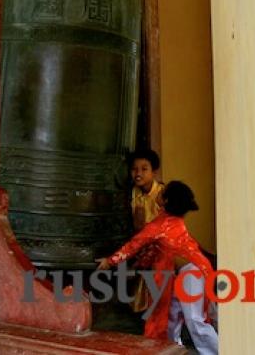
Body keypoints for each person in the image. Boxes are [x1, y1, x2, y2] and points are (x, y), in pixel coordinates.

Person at [98, 181, 217, 355]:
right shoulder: (171, 221)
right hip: (186, 273)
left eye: (162, 193)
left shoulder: (160, 226)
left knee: (195, 320)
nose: (159, 193)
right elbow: (151, 250)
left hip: (192, 273)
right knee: (171, 316)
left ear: (166, 201)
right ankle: (172, 350)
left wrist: (110, 261)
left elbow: (134, 245)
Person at [127, 149, 165, 313]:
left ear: (154, 171)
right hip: (142, 247)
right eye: (134, 169)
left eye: (144, 169)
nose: (138, 173)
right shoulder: (135, 192)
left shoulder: (162, 194)